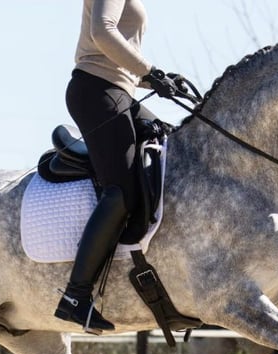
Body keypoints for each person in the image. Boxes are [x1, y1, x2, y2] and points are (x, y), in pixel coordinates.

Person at [54, 0, 179, 333]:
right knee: (120, 191)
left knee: (172, 145)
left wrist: (156, 80)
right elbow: (102, 34)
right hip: (96, 90)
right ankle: (76, 296)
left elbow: (119, 58)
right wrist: (149, 71)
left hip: (119, 91)